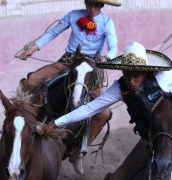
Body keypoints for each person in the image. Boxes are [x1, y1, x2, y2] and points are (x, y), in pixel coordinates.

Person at [43, 42, 172, 179]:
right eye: (127, 75)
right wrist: (56, 123)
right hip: (149, 139)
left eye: (136, 76)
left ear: (145, 71)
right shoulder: (119, 88)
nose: (131, 82)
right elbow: (89, 109)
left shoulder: (162, 77)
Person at [19, 0, 121, 175]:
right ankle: (21, 122)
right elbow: (53, 33)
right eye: (89, 4)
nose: (92, 9)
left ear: (101, 6)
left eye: (96, 6)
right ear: (86, 2)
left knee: (103, 113)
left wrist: (105, 58)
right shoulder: (73, 15)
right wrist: (33, 49)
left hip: (89, 67)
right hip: (68, 61)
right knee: (30, 82)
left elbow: (113, 47)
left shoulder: (107, 22)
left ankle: (78, 150)